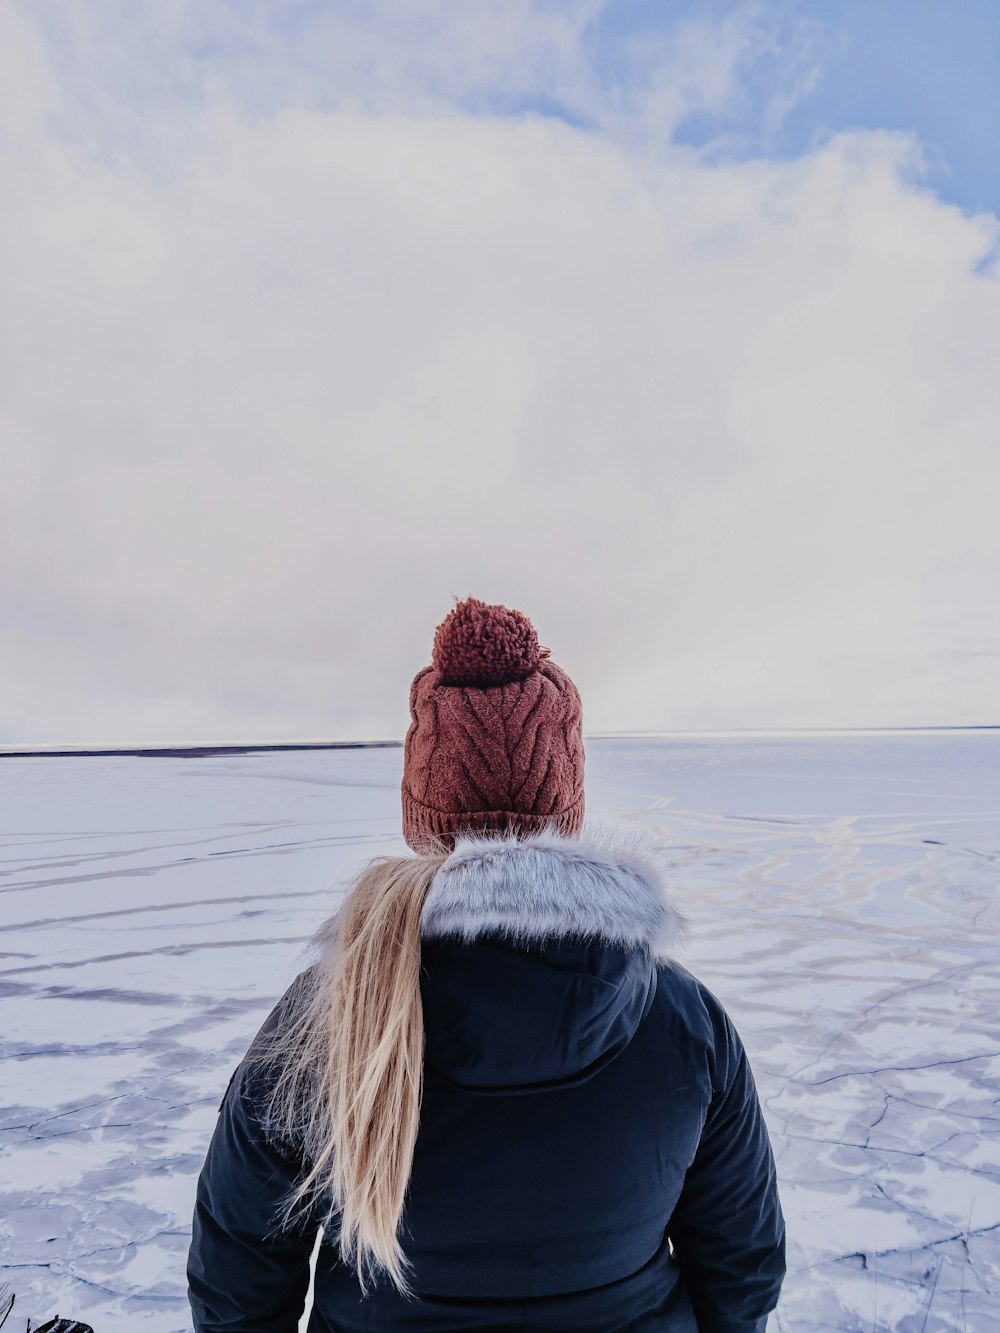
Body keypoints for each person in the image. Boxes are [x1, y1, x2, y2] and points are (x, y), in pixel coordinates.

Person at [187, 595, 786, 1332]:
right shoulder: (685, 1021)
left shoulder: (329, 1014)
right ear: (566, 808)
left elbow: (238, 1275)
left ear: (424, 811)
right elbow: (741, 1264)